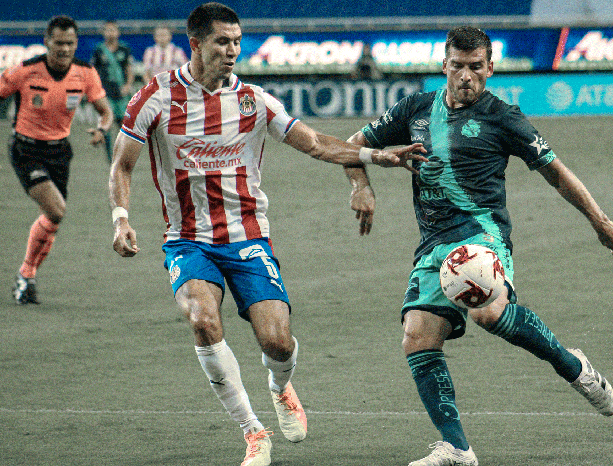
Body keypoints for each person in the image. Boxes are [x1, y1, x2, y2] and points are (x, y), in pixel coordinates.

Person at [108, 3, 425, 466]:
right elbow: (122, 165)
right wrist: (121, 217)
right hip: (187, 239)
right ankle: (253, 432)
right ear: (195, 44)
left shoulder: (253, 101)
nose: (232, 50)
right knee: (203, 319)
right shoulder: (155, 97)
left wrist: (376, 157)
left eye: (237, 42)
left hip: (248, 237)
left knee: (277, 342)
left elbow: (314, 143)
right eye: (222, 41)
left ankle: (280, 386)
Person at [344, 26, 613, 466]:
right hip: (433, 244)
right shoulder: (415, 108)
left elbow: (556, 172)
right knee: (417, 338)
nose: (466, 76)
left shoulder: (503, 117)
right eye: (457, 66)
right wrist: (361, 186)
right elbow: (353, 145)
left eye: (475, 67)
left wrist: (599, 220)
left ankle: (572, 367)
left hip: (482, 236)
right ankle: (457, 449)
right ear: (444, 65)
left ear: (490, 68)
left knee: (487, 311)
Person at [1, 15, 113, 305]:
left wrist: (102, 129)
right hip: (26, 150)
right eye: (59, 43)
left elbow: (106, 112)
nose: (64, 49)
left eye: (70, 43)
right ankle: (26, 273)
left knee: (53, 219)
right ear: (46, 42)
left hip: (60, 153)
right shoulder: (25, 70)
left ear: (76, 44)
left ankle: (27, 277)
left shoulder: (85, 73)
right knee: (56, 210)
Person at [91, 19, 134, 162]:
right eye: (107, 30)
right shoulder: (98, 50)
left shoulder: (124, 49)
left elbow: (129, 70)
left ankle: (123, 156)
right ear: (103, 33)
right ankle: (111, 159)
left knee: (124, 127)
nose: (110, 33)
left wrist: (127, 86)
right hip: (105, 95)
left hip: (122, 95)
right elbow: (93, 72)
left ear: (118, 32)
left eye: (113, 30)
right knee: (106, 126)